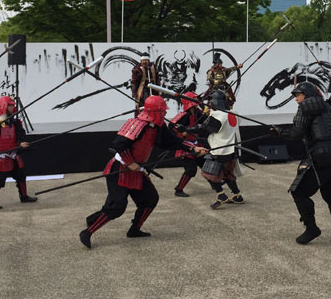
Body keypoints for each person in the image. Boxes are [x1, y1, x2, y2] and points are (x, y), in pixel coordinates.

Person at [79, 96, 207, 248]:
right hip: (120, 169)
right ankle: (87, 232)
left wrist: (193, 148)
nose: (165, 114)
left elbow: (173, 141)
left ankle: (134, 230)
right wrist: (130, 162)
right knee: (117, 206)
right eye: (163, 111)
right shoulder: (136, 123)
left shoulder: (159, 126)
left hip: (137, 170)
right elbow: (119, 144)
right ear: (156, 112)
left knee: (150, 199)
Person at [283, 82, 331, 246]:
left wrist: (279, 132)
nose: (296, 99)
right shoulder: (330, 107)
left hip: (320, 157)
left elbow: (297, 133)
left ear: (306, 95)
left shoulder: (306, 107)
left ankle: (311, 228)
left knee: (299, 192)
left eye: (298, 95)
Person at [186, 90, 244, 209]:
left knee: (208, 173)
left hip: (220, 150)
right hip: (232, 150)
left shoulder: (218, 116)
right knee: (228, 174)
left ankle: (221, 195)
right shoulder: (234, 114)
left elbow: (204, 130)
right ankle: (237, 195)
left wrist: (186, 129)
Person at [0, 96, 37, 210]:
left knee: (21, 176)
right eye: (10, 105)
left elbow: (20, 135)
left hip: (12, 154)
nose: (13, 107)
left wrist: (21, 143)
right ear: (3, 106)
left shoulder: (15, 122)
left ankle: (24, 196)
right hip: (0, 156)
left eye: (13, 105)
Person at [169, 91, 207, 197]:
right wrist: (180, 132)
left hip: (196, 144)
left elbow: (205, 122)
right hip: (185, 146)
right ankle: (179, 189)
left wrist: (207, 112)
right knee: (191, 170)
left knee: (206, 165)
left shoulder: (198, 113)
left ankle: (216, 184)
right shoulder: (184, 115)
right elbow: (171, 127)